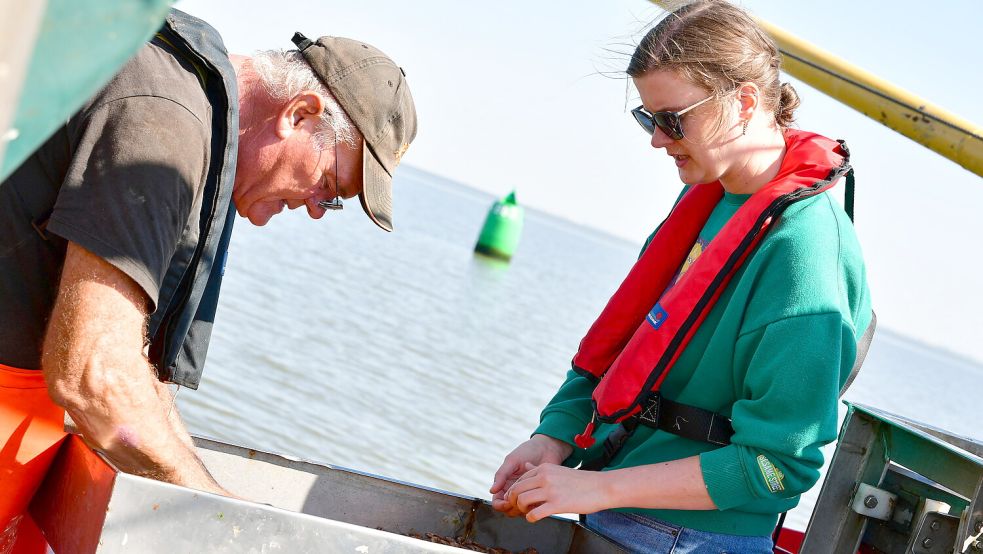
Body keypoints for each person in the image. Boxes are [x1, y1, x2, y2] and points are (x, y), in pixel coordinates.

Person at [0, 7, 417, 547]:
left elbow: (135, 370)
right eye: (331, 188)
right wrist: (225, 522)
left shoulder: (192, 103)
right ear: (300, 114)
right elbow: (94, 376)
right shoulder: (166, 124)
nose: (317, 209)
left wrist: (206, 489)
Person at [489, 1, 872, 552]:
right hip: (614, 517)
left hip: (693, 541)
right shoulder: (708, 202)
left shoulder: (806, 250)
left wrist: (597, 487)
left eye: (672, 120)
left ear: (742, 102)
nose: (656, 139)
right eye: (647, 118)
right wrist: (553, 437)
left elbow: (780, 465)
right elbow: (629, 350)